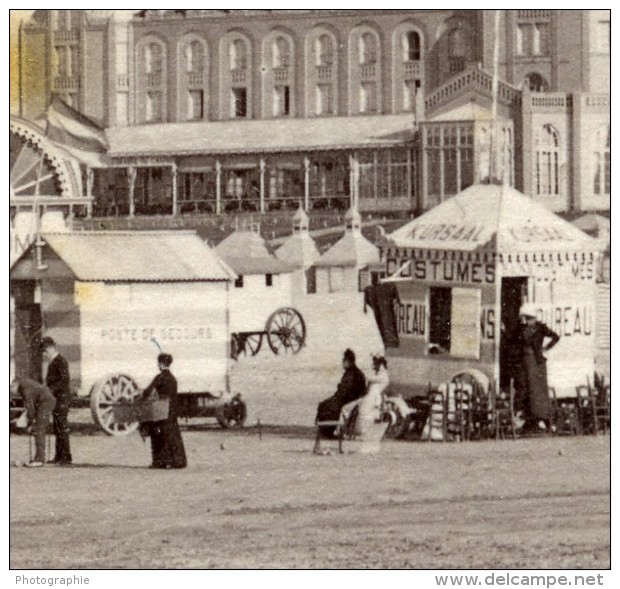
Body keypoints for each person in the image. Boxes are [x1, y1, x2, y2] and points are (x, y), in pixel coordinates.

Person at [513, 303, 560, 432]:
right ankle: (531, 420)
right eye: (526, 318)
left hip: (537, 362)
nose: (528, 321)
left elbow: (556, 337)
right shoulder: (522, 328)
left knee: (538, 391)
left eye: (530, 318)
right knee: (526, 389)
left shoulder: (540, 328)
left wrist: (546, 348)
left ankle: (544, 418)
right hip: (525, 362)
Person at [142, 353, 187, 469]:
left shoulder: (160, 377)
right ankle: (177, 461)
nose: (158, 365)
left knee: (157, 435)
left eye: (159, 363)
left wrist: (140, 398)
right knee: (173, 436)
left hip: (160, 410)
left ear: (162, 364)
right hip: (171, 411)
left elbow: (147, 392)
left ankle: (160, 462)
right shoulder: (173, 379)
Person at [315, 349, 366, 438]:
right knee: (324, 404)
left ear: (349, 361)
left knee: (329, 406)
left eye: (344, 361)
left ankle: (328, 432)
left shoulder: (353, 373)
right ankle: (326, 431)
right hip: (346, 397)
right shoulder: (353, 372)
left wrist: (338, 395)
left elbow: (347, 390)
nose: (343, 363)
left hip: (349, 399)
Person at [11, 377, 56, 467]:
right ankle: (39, 457)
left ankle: (39, 459)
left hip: (45, 402)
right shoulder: (23, 385)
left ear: (13, 385)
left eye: (10, 391)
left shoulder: (25, 388)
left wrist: (30, 422)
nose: (12, 394)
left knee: (39, 429)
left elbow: (30, 406)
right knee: (38, 428)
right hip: (43, 401)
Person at [41, 337, 72, 465]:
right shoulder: (54, 361)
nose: (44, 354)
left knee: (62, 427)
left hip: (62, 399)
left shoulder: (60, 361)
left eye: (44, 351)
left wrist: (50, 389)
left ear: (50, 348)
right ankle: (58, 456)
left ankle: (66, 458)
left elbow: (65, 379)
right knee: (57, 427)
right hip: (56, 399)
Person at [355, 354, 390, 437]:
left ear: (381, 365)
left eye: (376, 364)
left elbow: (369, 378)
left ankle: (364, 431)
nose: (375, 366)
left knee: (366, 412)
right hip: (371, 396)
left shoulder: (383, 376)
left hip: (375, 398)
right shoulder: (378, 375)